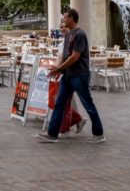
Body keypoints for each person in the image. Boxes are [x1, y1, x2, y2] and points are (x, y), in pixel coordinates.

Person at [37, 9, 105, 144]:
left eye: (66, 17)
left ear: (72, 18)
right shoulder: (69, 35)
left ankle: (98, 133)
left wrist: (60, 68)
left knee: (88, 104)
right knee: (59, 103)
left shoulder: (80, 34)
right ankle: (52, 134)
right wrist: (58, 69)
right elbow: (65, 54)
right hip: (68, 76)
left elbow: (75, 56)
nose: (63, 20)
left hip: (79, 76)